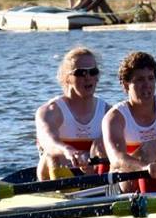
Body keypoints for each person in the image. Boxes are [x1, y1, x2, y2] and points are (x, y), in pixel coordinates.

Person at [103, 50, 156, 194]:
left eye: (150, 78)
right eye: (139, 80)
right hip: (127, 184)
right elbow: (117, 159)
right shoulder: (115, 117)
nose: (147, 85)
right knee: (152, 148)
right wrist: (144, 167)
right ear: (126, 85)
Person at [34, 47, 106, 180]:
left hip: (93, 175)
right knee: (54, 154)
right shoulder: (50, 111)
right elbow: (48, 141)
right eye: (81, 73)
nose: (88, 77)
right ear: (67, 78)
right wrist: (68, 151)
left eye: (93, 72)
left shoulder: (108, 112)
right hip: (56, 174)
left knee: (104, 144)